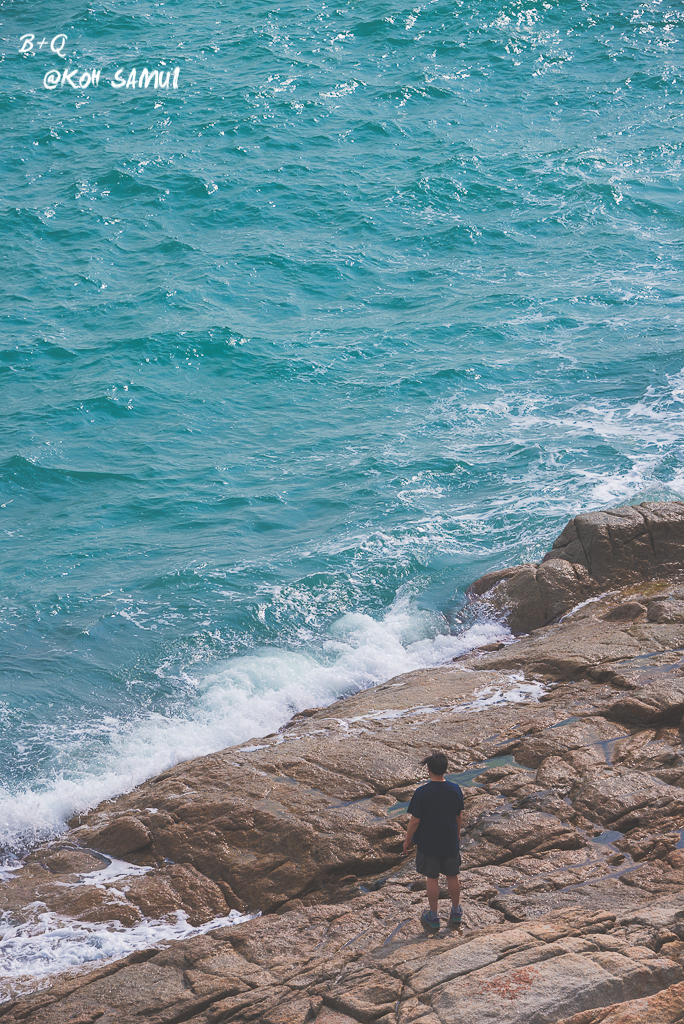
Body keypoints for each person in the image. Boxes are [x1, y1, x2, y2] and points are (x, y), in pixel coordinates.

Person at [403, 751, 464, 934]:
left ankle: (434, 916)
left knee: (432, 878)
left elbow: (415, 820)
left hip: (428, 843)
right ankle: (455, 912)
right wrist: (458, 833)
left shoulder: (422, 792)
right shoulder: (455, 789)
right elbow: (458, 816)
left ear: (428, 770)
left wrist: (407, 841)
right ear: (445, 769)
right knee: (453, 875)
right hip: (449, 840)